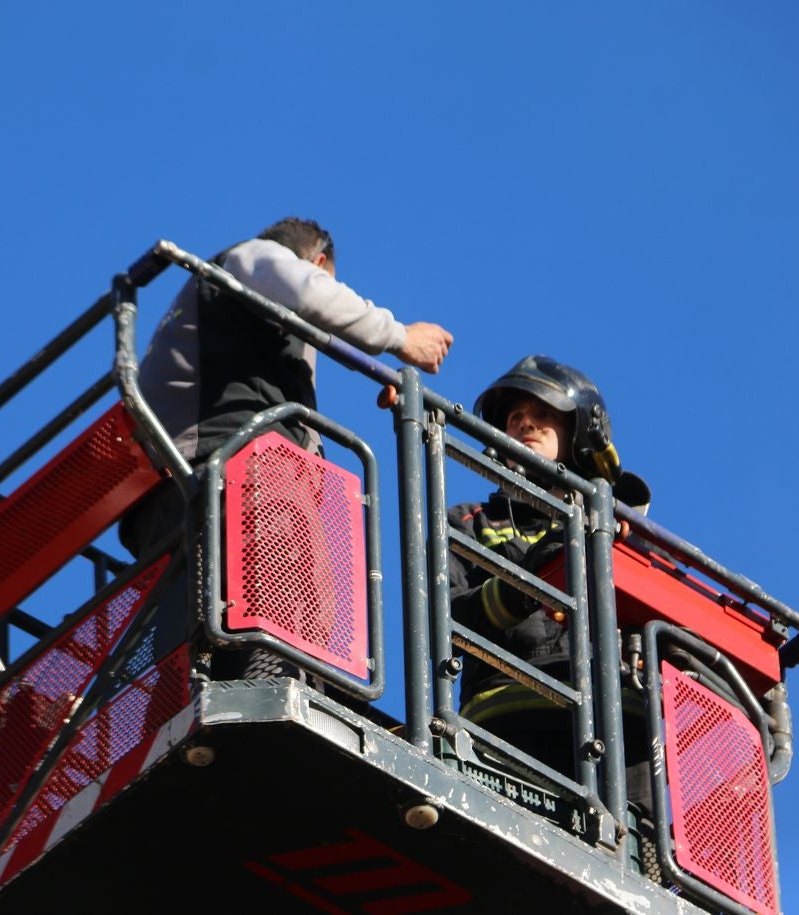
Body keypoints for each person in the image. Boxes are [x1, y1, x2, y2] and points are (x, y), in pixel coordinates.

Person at [120, 216, 454, 557]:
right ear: (317, 262)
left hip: (169, 506)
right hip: (232, 483)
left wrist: (379, 370)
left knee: (215, 605)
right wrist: (400, 336)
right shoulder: (254, 256)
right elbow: (309, 293)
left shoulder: (213, 311)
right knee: (293, 603)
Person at [447, 355, 653, 809]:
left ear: (580, 435)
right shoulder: (468, 522)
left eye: (543, 416)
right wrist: (526, 584)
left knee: (636, 841)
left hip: (614, 720)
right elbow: (446, 621)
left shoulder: (617, 528)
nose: (526, 425)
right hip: (508, 715)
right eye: (515, 418)